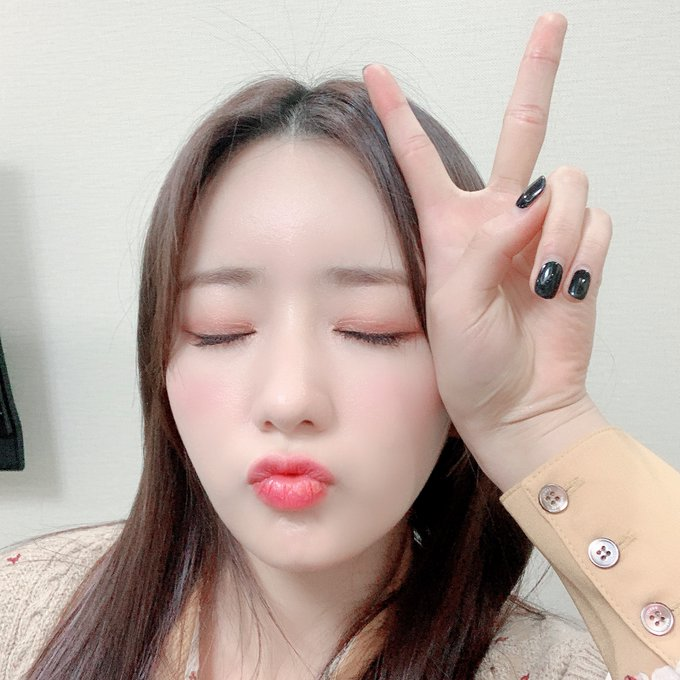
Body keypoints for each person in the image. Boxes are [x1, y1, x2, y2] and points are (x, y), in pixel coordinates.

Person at [1, 12, 678, 680]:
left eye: (371, 328)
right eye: (220, 329)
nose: (289, 399)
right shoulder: (23, 607)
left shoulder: (562, 669)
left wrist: (538, 419)